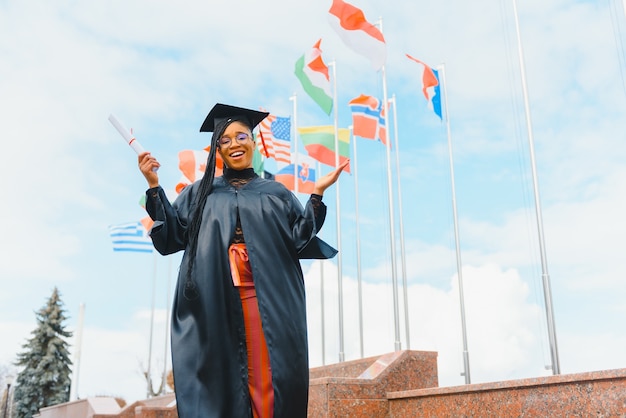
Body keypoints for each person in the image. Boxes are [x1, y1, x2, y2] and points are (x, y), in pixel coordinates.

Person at [138, 103, 349, 418]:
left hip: (265, 298)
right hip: (212, 300)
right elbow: (171, 237)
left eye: (241, 137)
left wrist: (316, 195)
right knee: (218, 375)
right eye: (225, 140)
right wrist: (154, 185)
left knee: (269, 371)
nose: (234, 144)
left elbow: (298, 239)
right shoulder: (199, 193)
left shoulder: (275, 193)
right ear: (216, 151)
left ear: (253, 142)